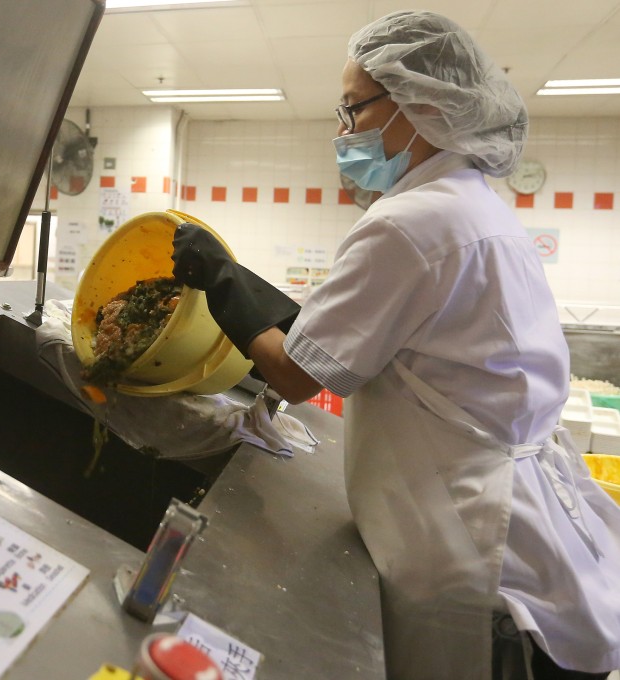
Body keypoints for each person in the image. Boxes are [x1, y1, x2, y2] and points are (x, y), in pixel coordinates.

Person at [171, 10, 620, 680]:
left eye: (353, 109)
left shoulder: (411, 222)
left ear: (424, 106)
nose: (343, 132)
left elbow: (295, 375)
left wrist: (221, 280)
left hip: (470, 540)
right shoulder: (476, 205)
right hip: (531, 527)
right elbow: (369, 337)